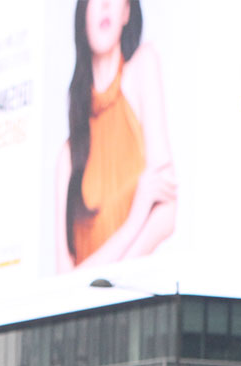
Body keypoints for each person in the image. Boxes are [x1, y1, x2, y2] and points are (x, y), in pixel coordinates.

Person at [55, 0, 175, 273]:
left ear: (127, 11)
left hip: (135, 304)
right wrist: (135, 218)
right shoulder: (68, 157)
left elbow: (167, 214)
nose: (105, 4)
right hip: (87, 311)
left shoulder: (143, 66)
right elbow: (63, 282)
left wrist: (112, 284)